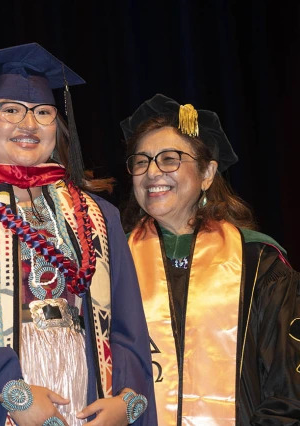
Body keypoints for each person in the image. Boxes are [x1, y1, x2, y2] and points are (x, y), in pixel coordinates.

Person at [0, 43, 156, 426]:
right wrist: (12, 395)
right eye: (10, 110)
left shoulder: (96, 214)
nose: (29, 124)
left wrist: (128, 400)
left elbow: (128, 323)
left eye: (43, 112)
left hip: (89, 395)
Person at [120, 93, 300, 425]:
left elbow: (287, 388)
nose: (152, 172)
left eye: (169, 159)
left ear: (207, 173)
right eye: (141, 161)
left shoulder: (259, 262)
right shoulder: (112, 259)